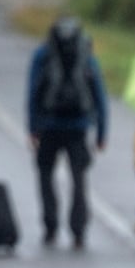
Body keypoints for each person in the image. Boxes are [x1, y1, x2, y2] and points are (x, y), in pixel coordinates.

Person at [27, 16, 108, 250]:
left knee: (45, 175)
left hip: (49, 126)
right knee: (79, 179)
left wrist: (33, 128)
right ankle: (78, 230)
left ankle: (50, 225)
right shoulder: (85, 55)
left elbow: (33, 92)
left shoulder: (43, 55)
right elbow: (99, 95)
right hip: (78, 127)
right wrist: (102, 133)